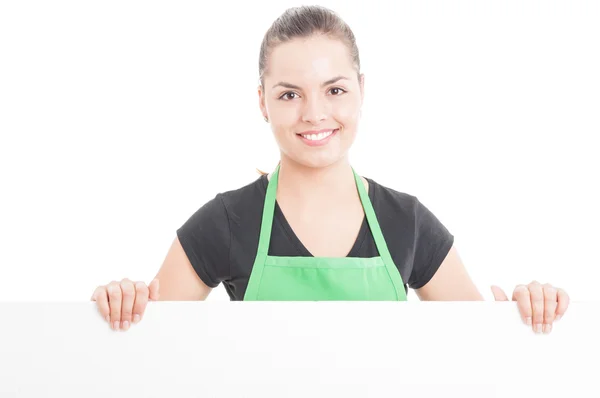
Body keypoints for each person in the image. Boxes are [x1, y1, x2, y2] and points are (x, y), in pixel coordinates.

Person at [91, 5, 569, 334]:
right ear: (262, 101)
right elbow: (150, 351)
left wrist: (526, 313)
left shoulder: (407, 222)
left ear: (362, 90)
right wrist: (124, 303)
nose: (314, 113)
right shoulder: (227, 222)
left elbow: (476, 351)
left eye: (334, 89)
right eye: (289, 93)